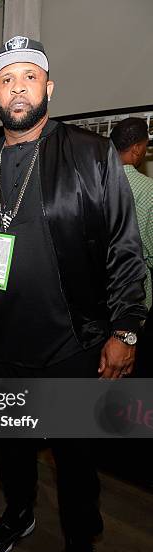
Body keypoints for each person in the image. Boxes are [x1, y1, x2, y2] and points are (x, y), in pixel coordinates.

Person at [0, 36, 147, 552]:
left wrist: (127, 329)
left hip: (74, 347)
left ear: (49, 88)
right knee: (12, 451)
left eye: (29, 77)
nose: (18, 87)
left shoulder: (90, 156)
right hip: (2, 350)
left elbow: (123, 247)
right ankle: (18, 515)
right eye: (7, 79)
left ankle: (80, 548)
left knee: (77, 461)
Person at [110, 118, 153, 377]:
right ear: (136, 149)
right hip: (137, 302)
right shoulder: (148, 190)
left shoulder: (92, 183)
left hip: (100, 301)